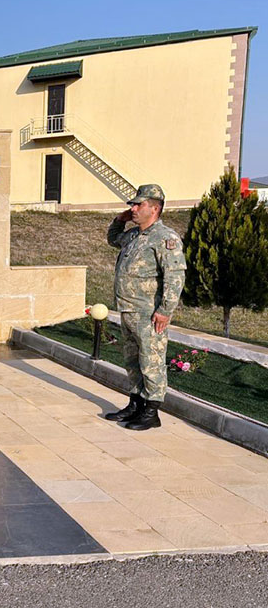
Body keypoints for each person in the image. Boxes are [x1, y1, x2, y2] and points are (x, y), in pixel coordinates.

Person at [105, 184, 186, 430]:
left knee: (152, 362)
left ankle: (151, 412)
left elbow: (175, 277)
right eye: (133, 204)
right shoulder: (133, 235)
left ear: (155, 208)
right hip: (128, 310)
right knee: (132, 360)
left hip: (149, 313)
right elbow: (112, 239)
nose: (134, 208)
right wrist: (120, 219)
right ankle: (135, 404)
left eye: (139, 204)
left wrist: (165, 310)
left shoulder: (166, 238)